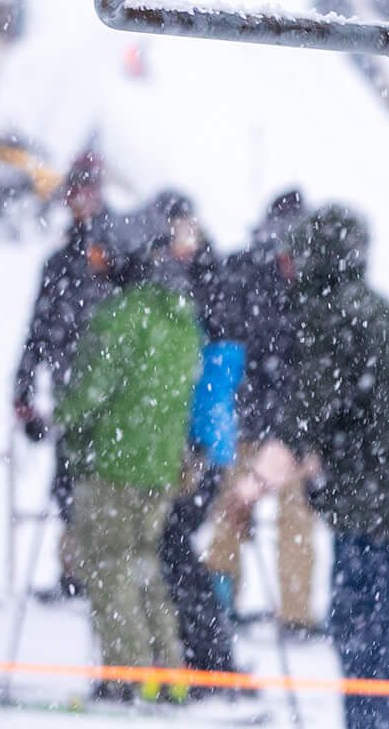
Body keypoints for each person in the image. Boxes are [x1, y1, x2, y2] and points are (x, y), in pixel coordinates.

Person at [255, 206, 389, 729]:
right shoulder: (378, 311)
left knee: (358, 628)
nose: (287, 266)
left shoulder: (335, 315)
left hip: (374, 508)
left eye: (296, 254)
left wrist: (260, 478)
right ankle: (376, 720)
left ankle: (372, 724)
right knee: (368, 631)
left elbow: (311, 407)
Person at [55, 205, 201, 703]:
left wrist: (64, 420)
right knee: (144, 566)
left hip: (114, 463)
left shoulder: (119, 317)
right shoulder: (180, 319)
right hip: (160, 465)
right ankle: (168, 669)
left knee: (108, 565)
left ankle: (127, 673)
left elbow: (87, 393)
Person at [202, 189, 315, 635]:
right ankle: (295, 614)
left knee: (234, 513)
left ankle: (220, 603)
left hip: (250, 418)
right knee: (294, 523)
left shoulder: (239, 270)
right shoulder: (307, 278)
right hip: (288, 427)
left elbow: (227, 337)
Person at [150, 192, 246, 682]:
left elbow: (214, 374)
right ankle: (204, 651)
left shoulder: (204, 284)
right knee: (174, 547)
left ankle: (207, 652)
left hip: (199, 445)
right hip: (200, 442)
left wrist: (200, 443)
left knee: (173, 547)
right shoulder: (198, 281)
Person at [12, 151, 110, 600]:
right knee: (68, 485)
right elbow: (37, 329)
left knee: (106, 483)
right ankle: (75, 568)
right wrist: (24, 387)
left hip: (113, 392)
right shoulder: (59, 264)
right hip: (70, 387)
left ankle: (102, 566)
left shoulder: (115, 255)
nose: (83, 200)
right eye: (77, 191)